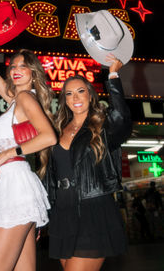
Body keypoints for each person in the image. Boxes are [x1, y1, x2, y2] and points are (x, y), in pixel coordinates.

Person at [43, 54, 132, 271]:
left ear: (91, 95)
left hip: (93, 208)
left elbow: (121, 116)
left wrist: (112, 75)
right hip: (62, 210)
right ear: (64, 99)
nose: (75, 97)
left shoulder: (103, 127)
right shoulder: (57, 129)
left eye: (81, 91)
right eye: (69, 93)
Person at [0, 48, 57, 271]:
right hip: (12, 184)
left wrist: (8, 152)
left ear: (33, 72)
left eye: (23, 65)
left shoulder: (24, 97)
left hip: (15, 185)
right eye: (12, 66)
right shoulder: (16, 99)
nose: (16, 69)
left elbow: (49, 137)